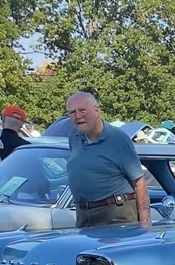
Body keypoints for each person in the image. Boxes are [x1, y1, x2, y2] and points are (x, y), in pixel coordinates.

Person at [64, 91, 151, 227]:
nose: (77, 116)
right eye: (72, 112)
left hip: (115, 214)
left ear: (97, 111)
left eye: (82, 110)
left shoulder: (117, 139)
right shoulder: (74, 137)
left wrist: (145, 223)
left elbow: (139, 182)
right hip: (84, 215)